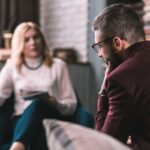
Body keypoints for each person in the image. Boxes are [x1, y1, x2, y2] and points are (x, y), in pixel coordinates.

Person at [0, 22, 77, 150]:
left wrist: (56, 103)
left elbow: (72, 104)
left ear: (42, 39)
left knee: (39, 103)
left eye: (36, 37)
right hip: (21, 121)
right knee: (39, 131)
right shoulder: (12, 66)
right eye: (26, 39)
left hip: (51, 117)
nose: (33, 42)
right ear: (19, 43)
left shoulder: (58, 65)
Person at [92, 3, 150, 150]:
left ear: (117, 43)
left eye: (99, 46)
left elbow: (103, 144)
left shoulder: (121, 78)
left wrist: (103, 90)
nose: (99, 54)